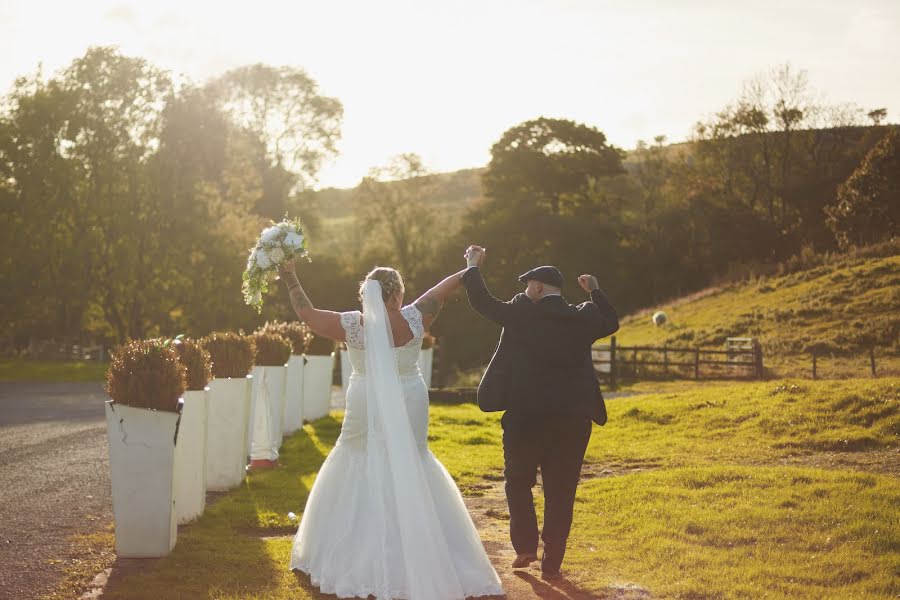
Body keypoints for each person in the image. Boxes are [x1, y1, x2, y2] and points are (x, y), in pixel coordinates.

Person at [278, 260, 503, 600]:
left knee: (356, 456)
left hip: (365, 398)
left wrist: (289, 275)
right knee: (413, 457)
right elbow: (444, 288)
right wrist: (470, 264)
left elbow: (307, 313)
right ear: (398, 294)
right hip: (409, 396)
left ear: (364, 294)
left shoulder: (352, 325)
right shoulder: (415, 317)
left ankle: (355, 547)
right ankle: (420, 544)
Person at [459, 245, 619, 579]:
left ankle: (526, 547)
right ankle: (552, 562)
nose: (523, 290)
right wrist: (596, 290)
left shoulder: (521, 314)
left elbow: (481, 301)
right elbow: (611, 322)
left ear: (538, 287)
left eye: (526, 285)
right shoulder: (583, 317)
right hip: (573, 421)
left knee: (517, 482)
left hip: (525, 419)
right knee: (562, 491)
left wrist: (472, 264)